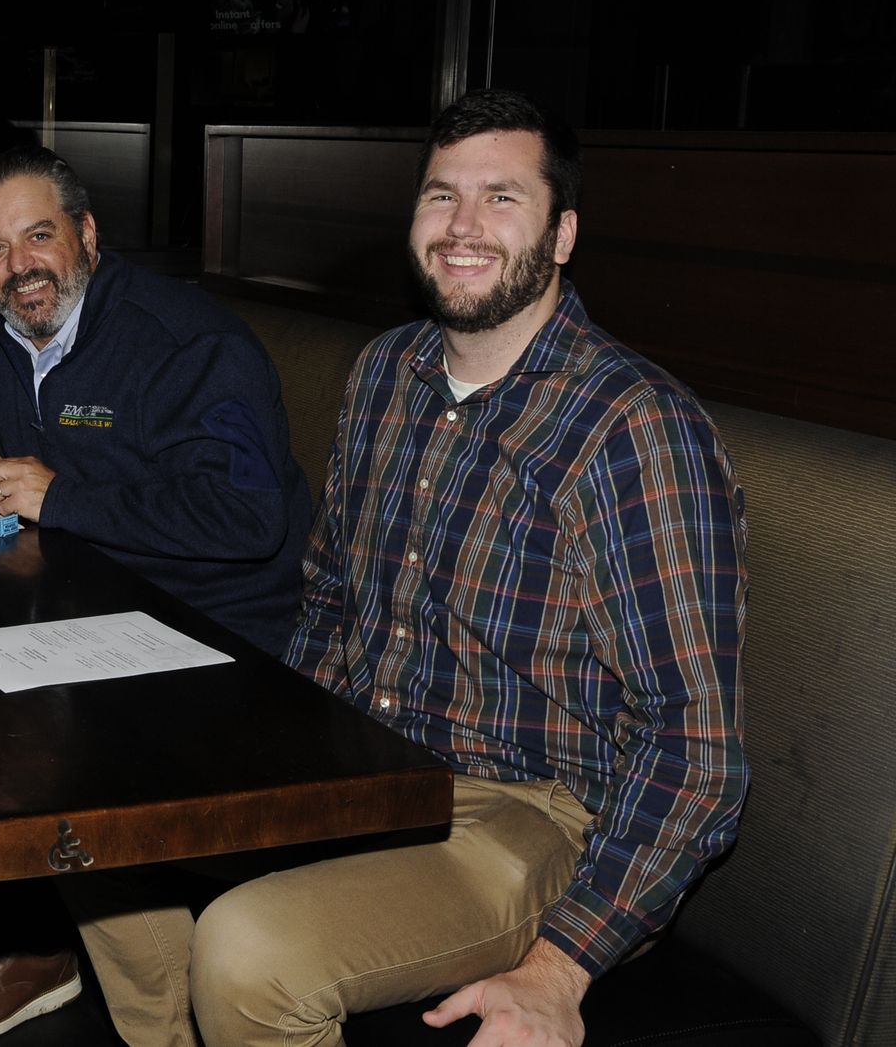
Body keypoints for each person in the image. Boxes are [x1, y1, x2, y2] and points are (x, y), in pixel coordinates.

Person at [91, 89, 750, 1047]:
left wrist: (559, 969)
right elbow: (329, 601)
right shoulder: (388, 373)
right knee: (95, 812)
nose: (464, 227)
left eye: (502, 198)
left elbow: (699, 750)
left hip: (538, 815)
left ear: (562, 234)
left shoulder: (632, 430)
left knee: (247, 947)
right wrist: (271, 748)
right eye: (441, 196)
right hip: (373, 766)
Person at [0, 146, 313, 1043]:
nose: (20, 267)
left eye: (39, 236)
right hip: (86, 606)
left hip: (223, 640)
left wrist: (67, 497)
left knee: (22, 728)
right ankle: (57, 939)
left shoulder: (187, 344)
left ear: (87, 236)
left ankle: (42, 941)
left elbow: (250, 517)